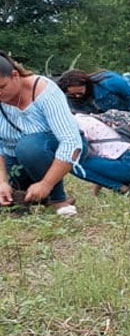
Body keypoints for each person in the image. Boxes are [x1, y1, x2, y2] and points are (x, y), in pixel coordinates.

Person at [0, 52, 83, 215]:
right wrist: (2, 181)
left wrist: (46, 183)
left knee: (29, 147)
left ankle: (57, 199)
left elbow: (71, 142)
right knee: (9, 194)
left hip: (50, 148)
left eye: (1, 87)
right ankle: (33, 197)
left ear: (15, 75)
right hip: (13, 158)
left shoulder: (44, 91)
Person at [58, 67, 130, 173]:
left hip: (128, 104)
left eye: (80, 92)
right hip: (106, 115)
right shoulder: (72, 100)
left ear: (86, 84)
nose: (77, 96)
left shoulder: (109, 81)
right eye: (73, 94)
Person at [74, 113, 130, 196]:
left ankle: (125, 190)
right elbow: (101, 165)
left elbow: (80, 159)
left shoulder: (74, 126)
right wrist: (95, 192)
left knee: (72, 163)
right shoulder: (87, 118)